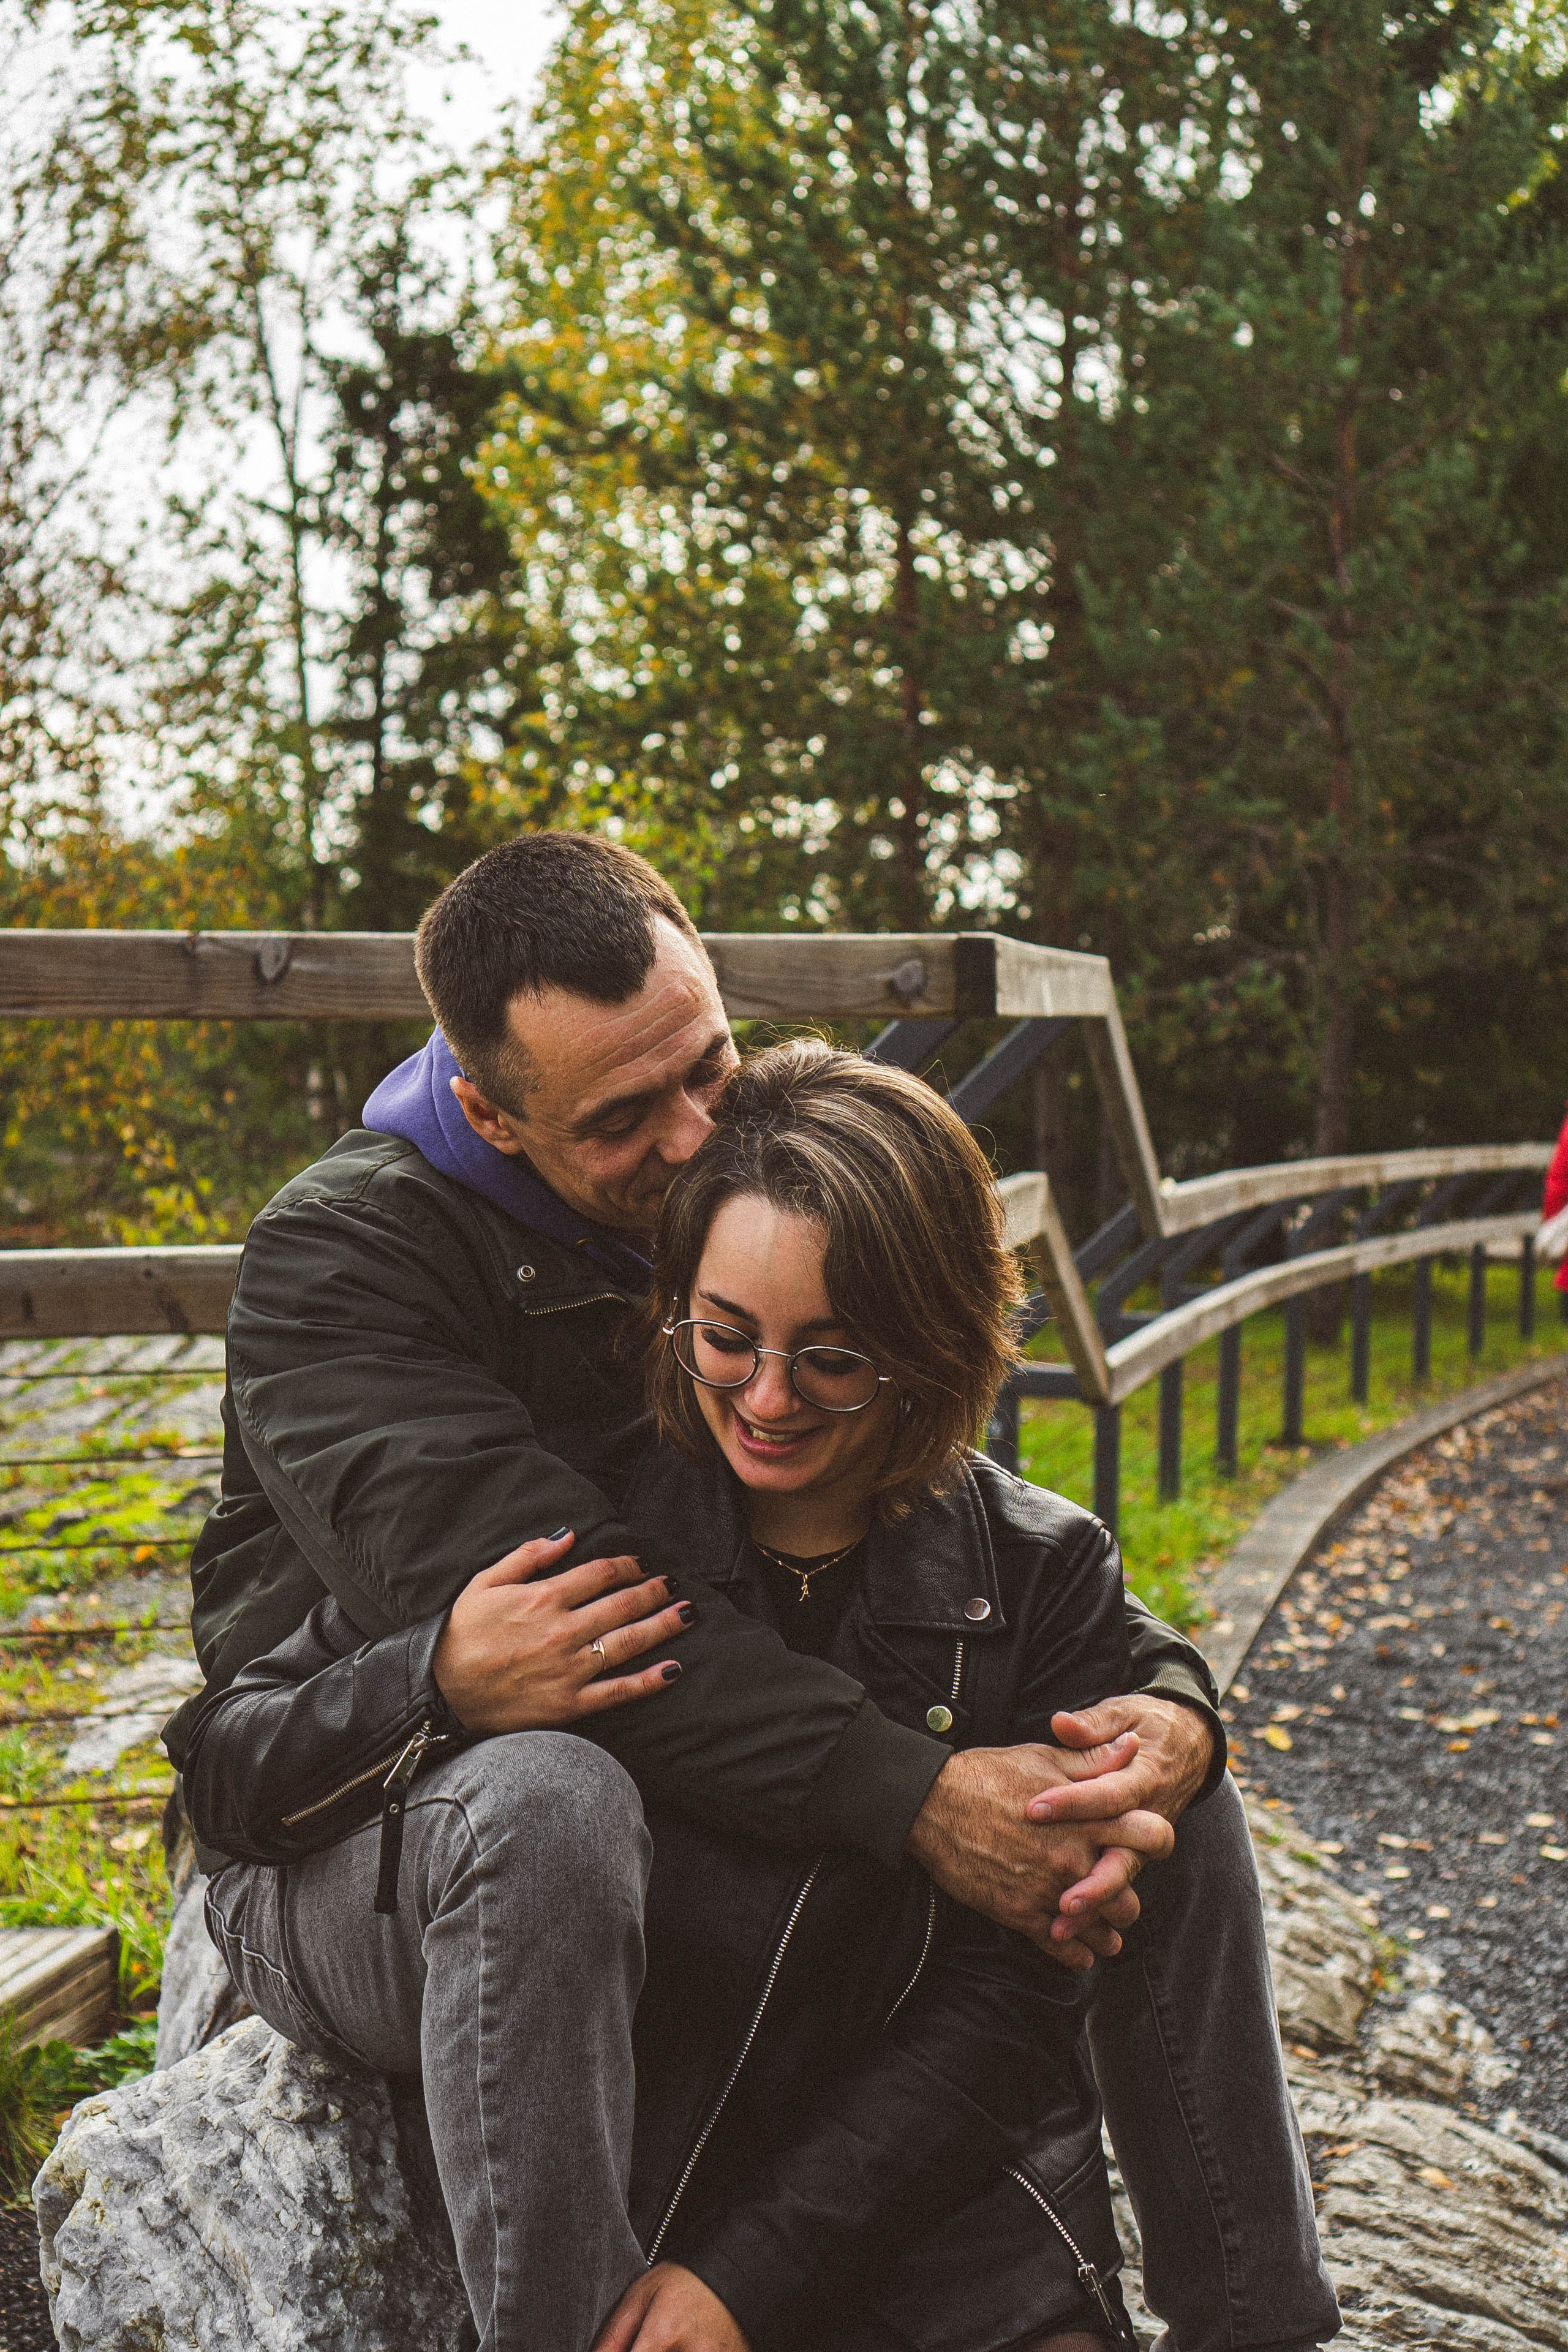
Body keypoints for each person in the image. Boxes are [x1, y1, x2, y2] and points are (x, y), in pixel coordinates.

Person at [168, 831, 1338, 2352]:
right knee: (549, 1800)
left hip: (681, 1733)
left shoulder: (726, 1213)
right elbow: (597, 1625)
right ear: (488, 1114)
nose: (691, 1134)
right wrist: (924, 1797)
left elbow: (998, 1560)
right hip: (368, 1793)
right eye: (622, 1117)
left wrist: (1169, 1718)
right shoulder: (348, 1257)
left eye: (709, 1069)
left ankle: (1258, 2327)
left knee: (1131, 1792)